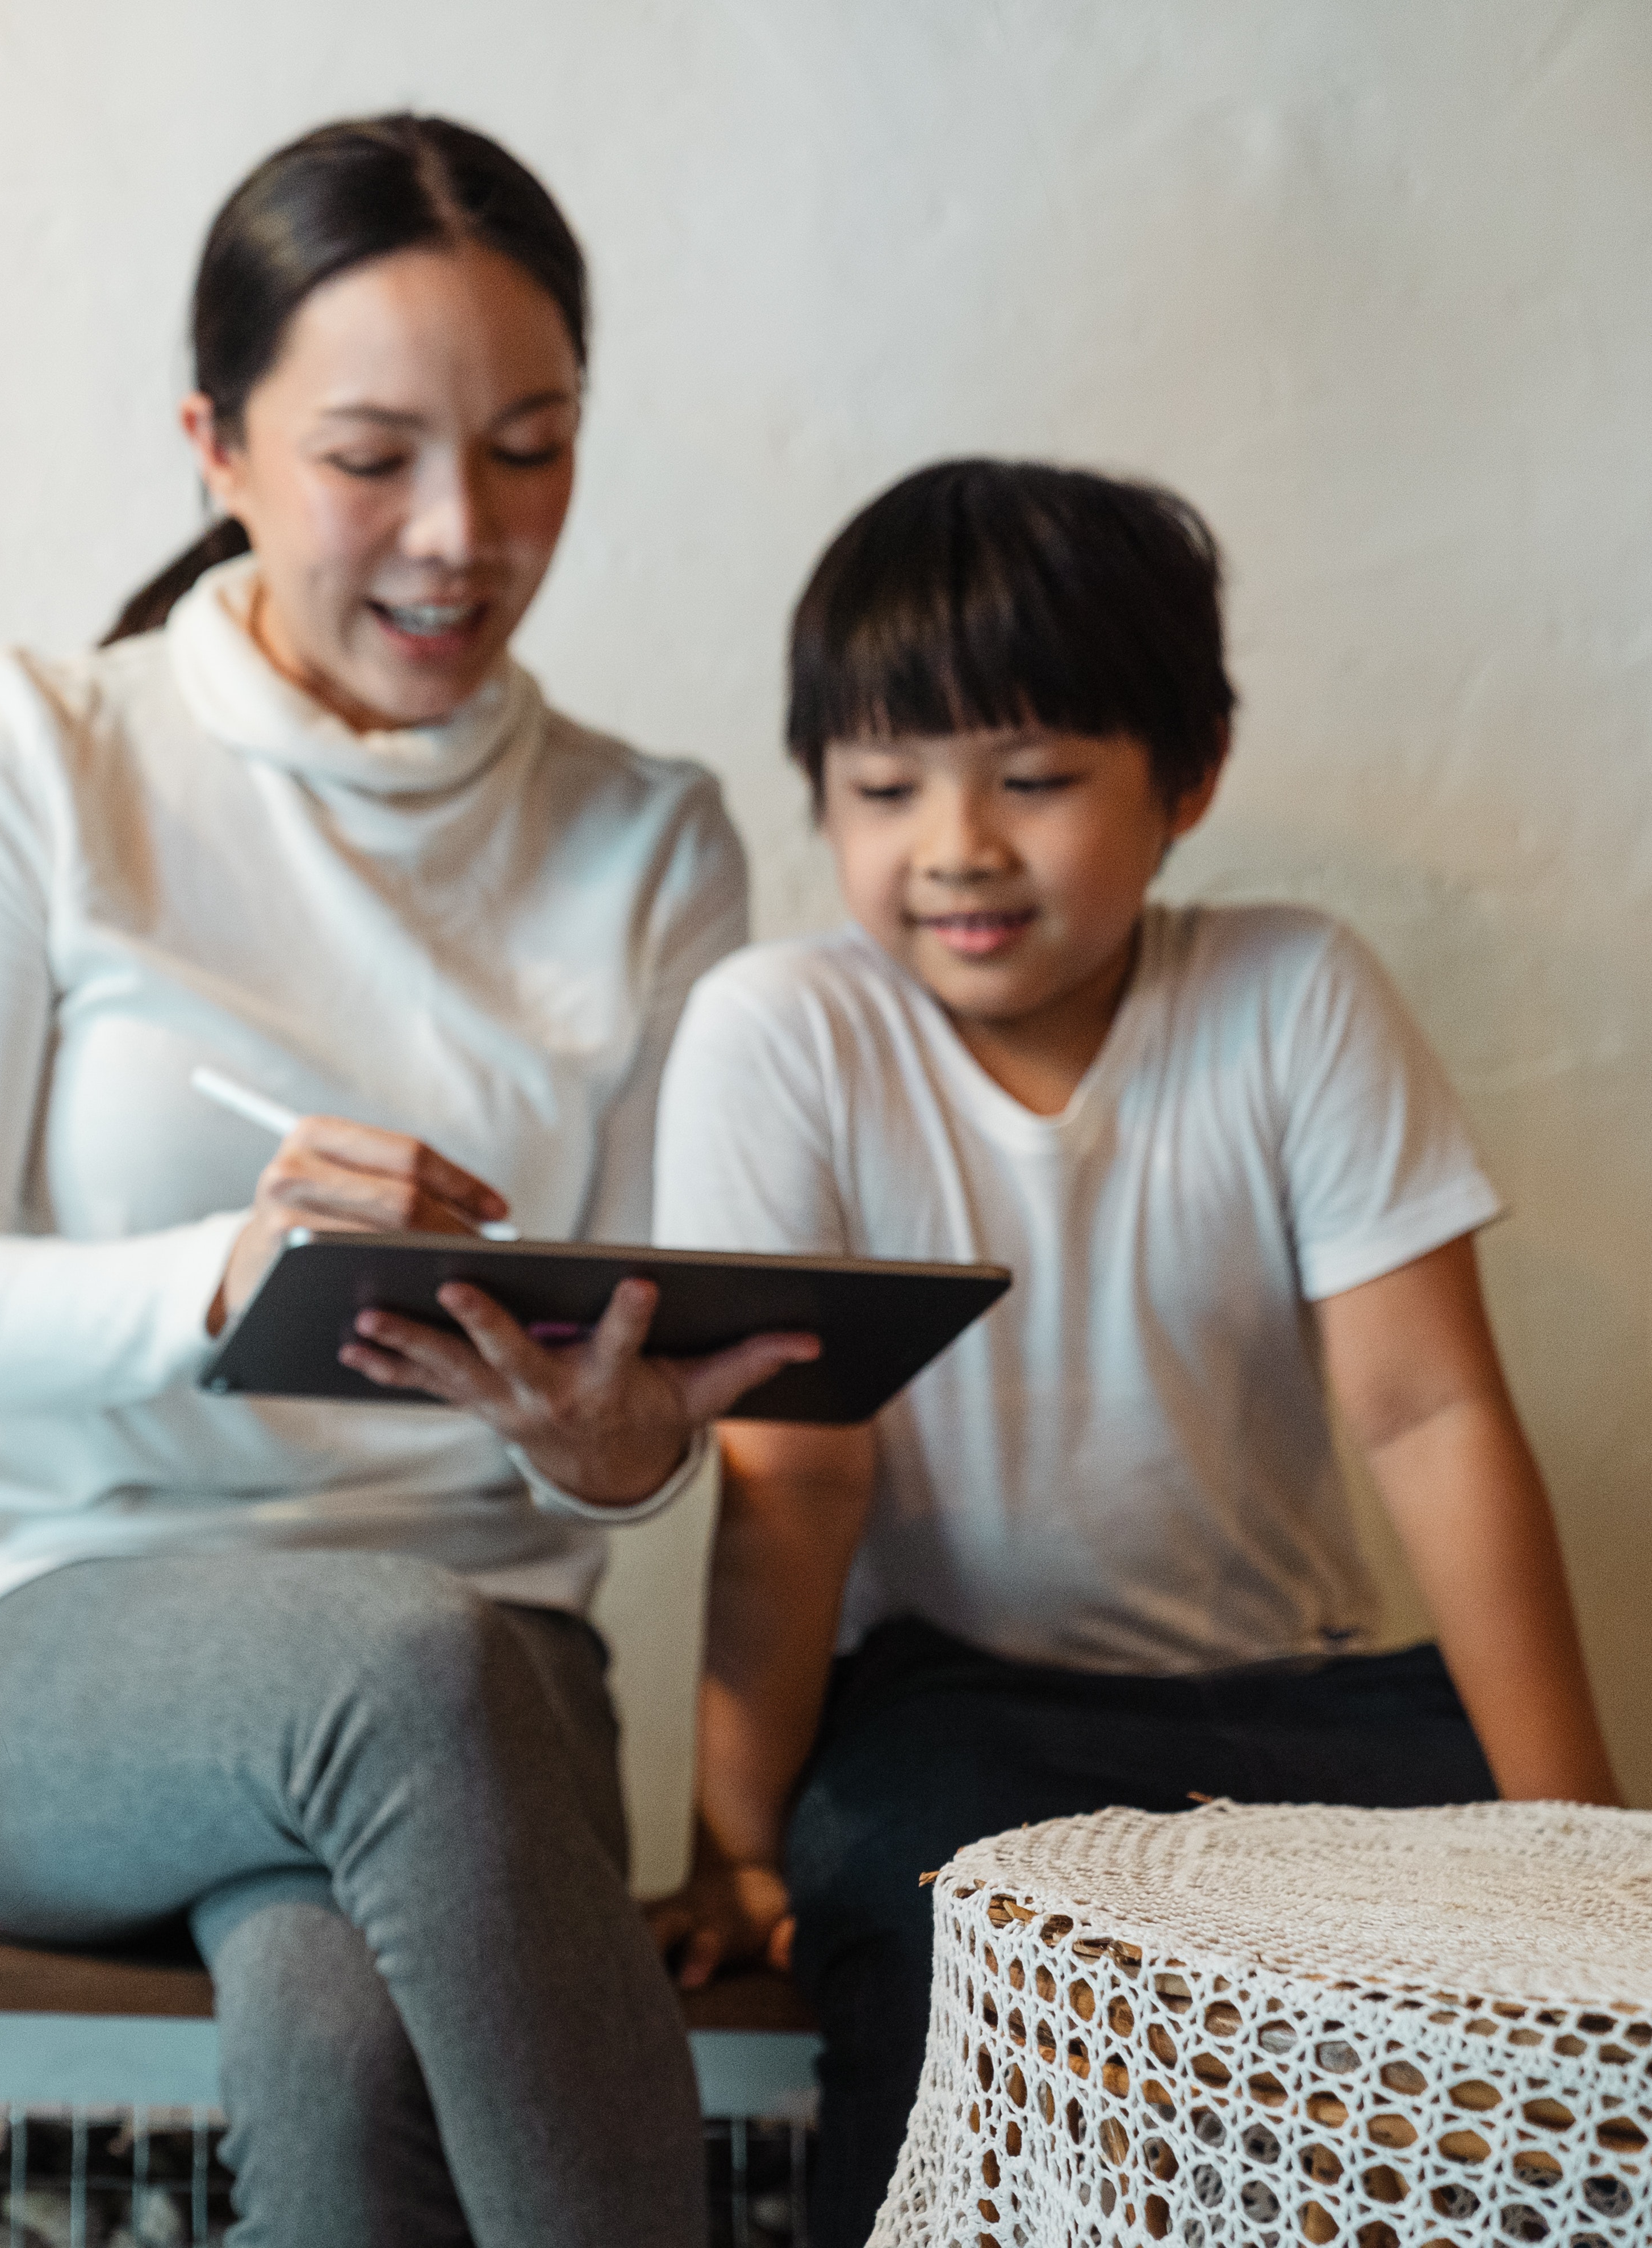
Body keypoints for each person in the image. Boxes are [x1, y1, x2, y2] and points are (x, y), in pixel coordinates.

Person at [0, 115, 814, 2248]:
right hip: (37, 1651)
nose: (461, 535)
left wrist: (620, 1443)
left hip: (475, 1674)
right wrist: (224, 1266)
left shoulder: (652, 839)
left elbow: (630, 1426)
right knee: (405, 1668)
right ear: (216, 444)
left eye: (531, 448)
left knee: (337, 2027)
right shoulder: (41, 750)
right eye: (372, 458)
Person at [645, 459, 1625, 2248]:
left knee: (1494, 2047)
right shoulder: (781, 1034)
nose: (954, 845)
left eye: (1031, 779)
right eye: (882, 788)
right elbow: (799, 1472)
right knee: (943, 1953)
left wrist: (1582, 1849)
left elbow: (1427, 1412)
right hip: (956, 1716)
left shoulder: (1291, 994)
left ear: (1186, 781)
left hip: (1296, 1711)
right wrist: (731, 1840)